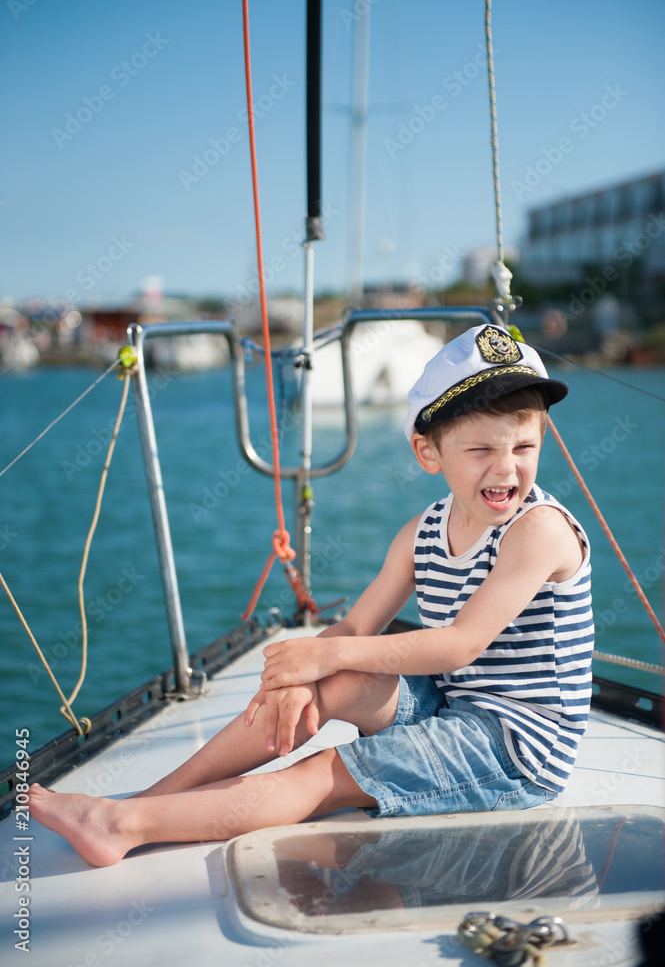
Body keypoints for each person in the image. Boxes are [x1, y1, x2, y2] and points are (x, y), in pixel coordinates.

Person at [30, 324, 594, 867]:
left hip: (519, 747)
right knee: (333, 681)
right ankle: (145, 800)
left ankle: (123, 828)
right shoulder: (424, 531)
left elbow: (457, 646)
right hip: (454, 706)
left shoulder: (538, 530)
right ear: (429, 454)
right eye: (481, 451)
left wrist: (327, 654)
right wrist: (305, 674)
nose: (506, 468)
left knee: (326, 771)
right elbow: (353, 630)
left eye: (524, 445)